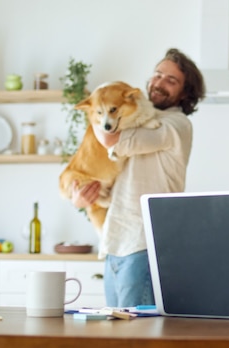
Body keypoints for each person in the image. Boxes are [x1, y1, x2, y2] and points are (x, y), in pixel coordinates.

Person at [71, 48, 205, 307]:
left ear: (186, 93)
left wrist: (96, 109)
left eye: (171, 80)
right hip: (115, 244)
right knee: (117, 337)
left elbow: (111, 139)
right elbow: (120, 186)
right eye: (157, 74)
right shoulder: (136, 122)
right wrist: (83, 198)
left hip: (145, 245)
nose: (159, 83)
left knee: (136, 339)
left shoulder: (176, 125)